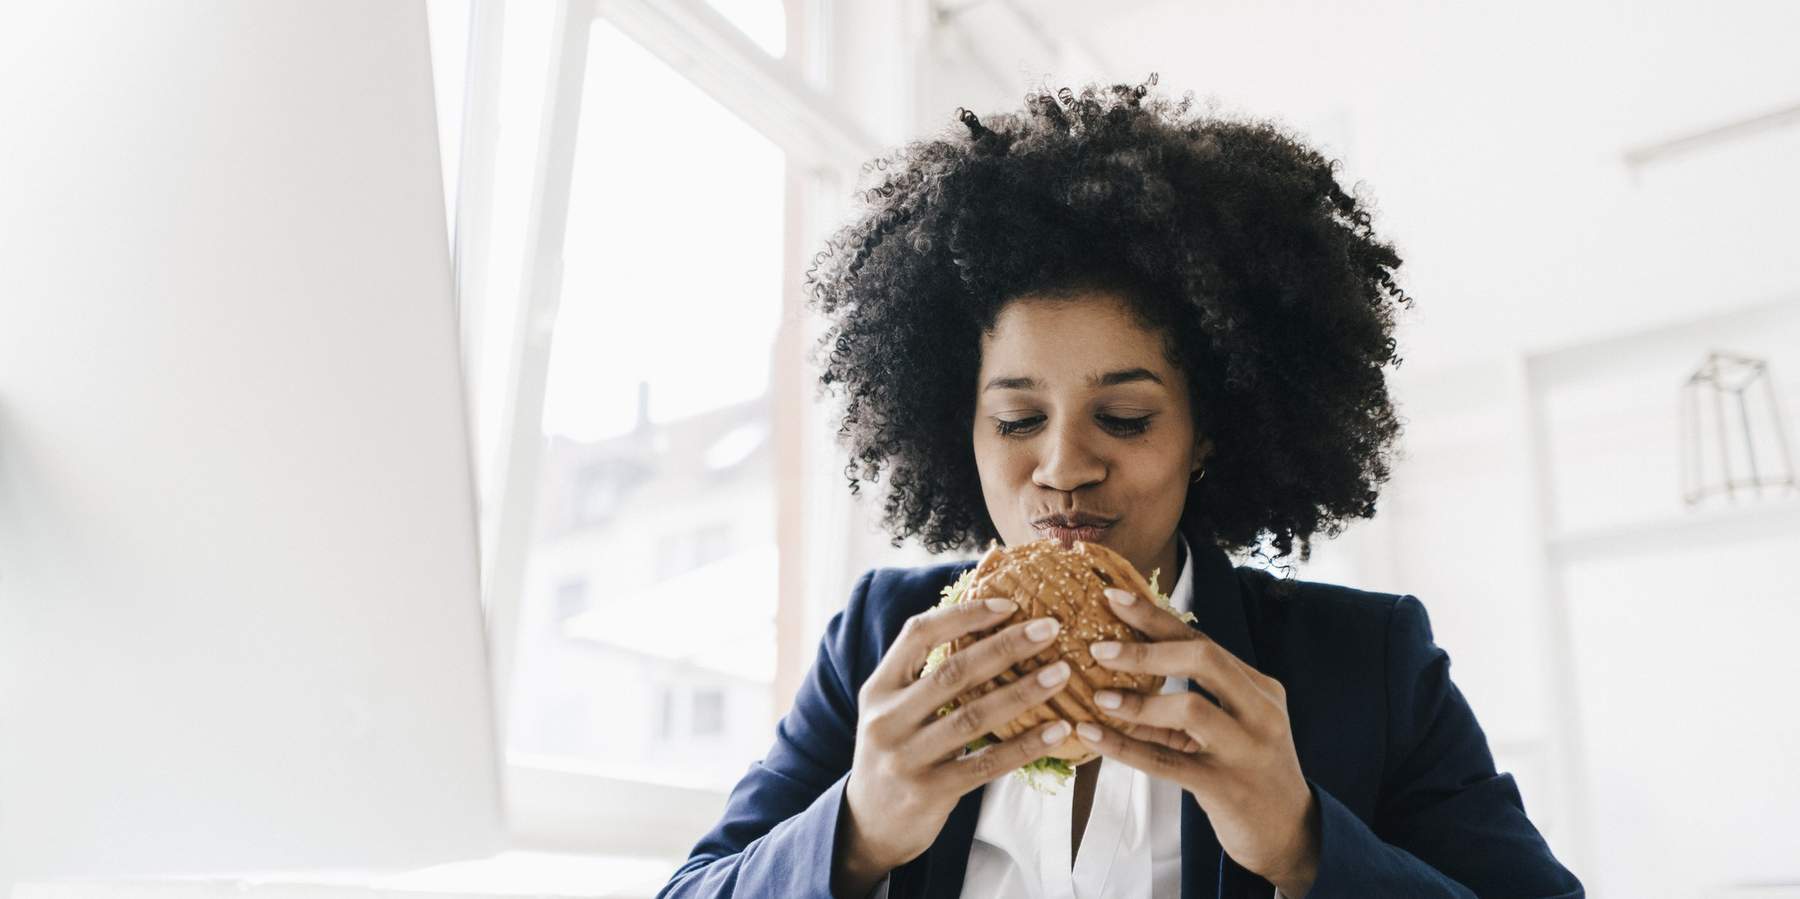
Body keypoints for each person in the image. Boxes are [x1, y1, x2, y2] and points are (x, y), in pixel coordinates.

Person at [656, 75, 1584, 899]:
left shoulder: (1373, 665)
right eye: (1017, 420)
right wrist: (854, 831)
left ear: (1209, 430)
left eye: (1127, 418)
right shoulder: (878, 641)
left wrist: (1306, 843)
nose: (1062, 467)